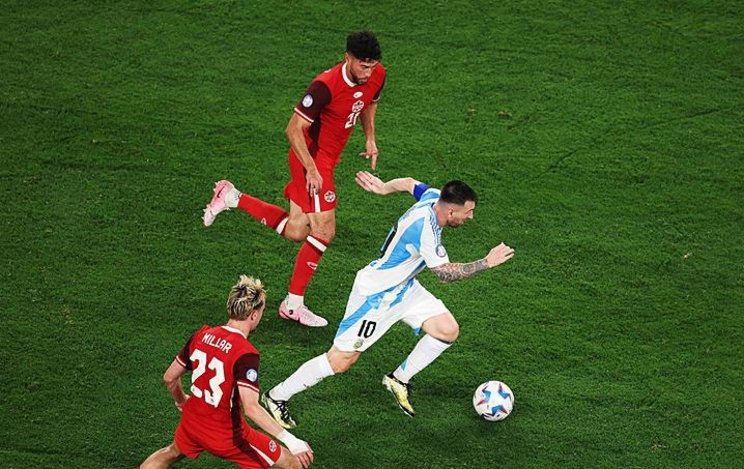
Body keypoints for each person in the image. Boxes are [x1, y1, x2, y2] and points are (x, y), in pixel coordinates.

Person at [259, 171, 515, 427]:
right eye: (468, 212)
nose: (470, 217)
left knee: (446, 330)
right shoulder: (425, 229)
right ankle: (276, 396)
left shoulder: (434, 196)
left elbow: (409, 183)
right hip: (376, 296)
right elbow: (445, 274)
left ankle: (398, 379)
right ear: (451, 212)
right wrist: (486, 262)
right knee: (340, 360)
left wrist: (384, 188)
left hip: (404, 287)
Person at [202, 31, 386, 328]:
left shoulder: (377, 75)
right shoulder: (324, 86)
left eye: (372, 66)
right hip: (311, 159)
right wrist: (311, 169)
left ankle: (232, 196)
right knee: (324, 231)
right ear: (347, 58)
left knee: (298, 230)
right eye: (363, 66)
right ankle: (293, 305)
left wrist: (370, 138)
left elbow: (368, 103)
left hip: (327, 158)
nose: (368, 73)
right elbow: (293, 129)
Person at [138, 276, 314, 469]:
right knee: (292, 462)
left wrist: (181, 401)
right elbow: (251, 408)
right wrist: (291, 440)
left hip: (192, 423)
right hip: (227, 435)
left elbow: (170, 377)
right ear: (253, 315)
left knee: (170, 453)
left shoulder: (201, 336)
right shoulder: (245, 354)